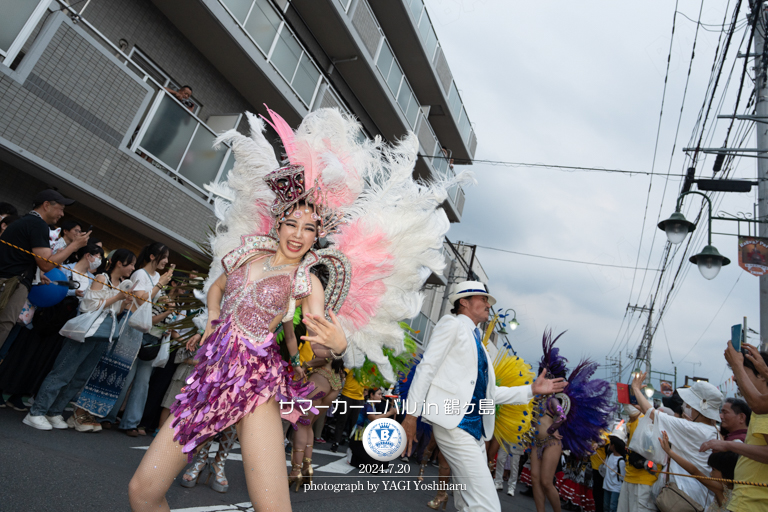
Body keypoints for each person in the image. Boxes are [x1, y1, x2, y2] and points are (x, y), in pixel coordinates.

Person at [129, 105, 459, 511]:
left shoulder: (308, 280)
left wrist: (337, 344)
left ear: (318, 235)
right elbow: (217, 288)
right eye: (292, 224)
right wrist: (213, 318)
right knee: (143, 493)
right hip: (210, 378)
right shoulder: (248, 252)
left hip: (256, 383)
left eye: (309, 229)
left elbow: (321, 341)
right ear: (278, 222)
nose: (299, 235)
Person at [403, 281, 567, 512]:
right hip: (454, 424)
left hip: (476, 431)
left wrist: (532, 389)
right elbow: (427, 367)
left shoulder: (479, 344)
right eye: (483, 299)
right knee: (486, 505)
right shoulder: (451, 324)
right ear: (464, 302)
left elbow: (492, 394)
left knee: (466, 502)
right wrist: (411, 415)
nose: (488, 304)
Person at [22, 249, 135, 431]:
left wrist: (124, 302)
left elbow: (116, 311)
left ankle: (54, 411)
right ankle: (36, 411)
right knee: (63, 372)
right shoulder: (101, 278)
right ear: (119, 263)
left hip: (104, 334)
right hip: (86, 332)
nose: (132, 268)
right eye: (130, 263)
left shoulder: (122, 284)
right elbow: (88, 305)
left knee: (80, 377)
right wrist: (117, 297)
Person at [100, 243, 175, 435]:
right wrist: (161, 285)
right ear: (152, 256)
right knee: (124, 374)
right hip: (132, 326)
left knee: (143, 380)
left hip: (149, 330)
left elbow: (157, 299)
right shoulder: (140, 274)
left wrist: (168, 301)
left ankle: (130, 422)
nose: (166, 261)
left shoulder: (158, 277)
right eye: (163, 257)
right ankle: (108, 416)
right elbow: (142, 300)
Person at [0, 190, 89, 348]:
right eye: (60, 209)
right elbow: (46, 263)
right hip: (12, 283)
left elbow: (23, 257)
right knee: (3, 325)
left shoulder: (26, 221)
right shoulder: (38, 225)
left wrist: (36, 275)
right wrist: (74, 246)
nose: (62, 214)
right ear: (46, 205)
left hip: (9, 279)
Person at [631, 371, 721, 509]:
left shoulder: (694, 429)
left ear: (698, 407)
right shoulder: (713, 430)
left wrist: (636, 389)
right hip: (700, 496)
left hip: (683, 496)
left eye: (689, 404)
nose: (687, 406)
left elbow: (652, 414)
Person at [704, 344, 768, 511]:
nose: (736, 379)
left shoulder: (763, 410)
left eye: (742, 374)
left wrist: (729, 445)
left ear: (761, 375)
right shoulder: (760, 409)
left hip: (750, 503)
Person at [659, 431, 738, 512]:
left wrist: (669, 451)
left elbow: (694, 471)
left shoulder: (721, 489)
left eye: (714, 470)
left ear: (725, 472)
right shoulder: (732, 490)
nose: (711, 473)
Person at [616, 404, 658, 512]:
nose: (627, 405)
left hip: (644, 480)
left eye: (630, 402)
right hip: (629, 477)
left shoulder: (646, 421)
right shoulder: (629, 423)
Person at [330, 368, 365, 452]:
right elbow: (344, 373)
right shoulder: (351, 364)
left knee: (356, 423)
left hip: (359, 398)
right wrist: (342, 374)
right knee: (342, 420)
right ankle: (336, 442)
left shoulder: (368, 368)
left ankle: (354, 446)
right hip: (347, 396)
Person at [603, 430, 627, 512]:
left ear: (614, 445)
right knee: (606, 506)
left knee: (612, 507)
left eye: (610, 444)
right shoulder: (609, 456)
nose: (609, 445)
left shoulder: (621, 461)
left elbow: (622, 477)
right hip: (607, 486)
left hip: (616, 488)